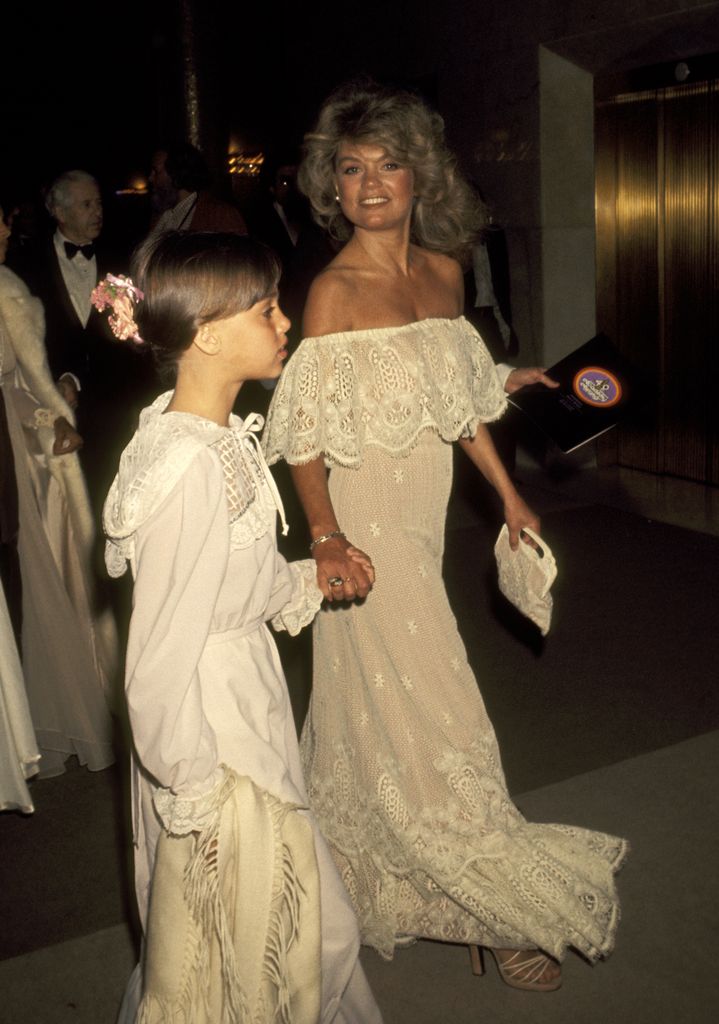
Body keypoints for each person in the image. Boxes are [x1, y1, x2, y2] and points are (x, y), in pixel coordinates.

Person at [263, 80, 628, 992]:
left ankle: (373, 867)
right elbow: (302, 436)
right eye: (351, 169)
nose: (371, 182)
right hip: (365, 530)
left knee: (375, 709)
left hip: (422, 521)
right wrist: (327, 539)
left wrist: (508, 493)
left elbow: (458, 403)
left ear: (419, 175)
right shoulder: (332, 293)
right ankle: (487, 905)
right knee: (443, 707)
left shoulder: (442, 272)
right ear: (330, 188)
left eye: (388, 163)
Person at [101, 232, 383, 1023]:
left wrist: (305, 577)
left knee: (269, 931)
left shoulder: (215, 438)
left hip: (242, 691)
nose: (286, 320)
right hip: (211, 732)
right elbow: (157, 658)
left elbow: (224, 585)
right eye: (267, 309)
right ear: (208, 333)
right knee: (293, 930)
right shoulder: (187, 464)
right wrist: (196, 795)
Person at [0, 205, 117, 777]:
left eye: (100, 202)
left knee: (69, 560)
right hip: (30, 437)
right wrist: (55, 403)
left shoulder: (116, 262)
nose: (96, 213)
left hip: (86, 419)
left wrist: (74, 389)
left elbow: (126, 337)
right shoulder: (22, 267)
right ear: (60, 209)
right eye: (85, 203)